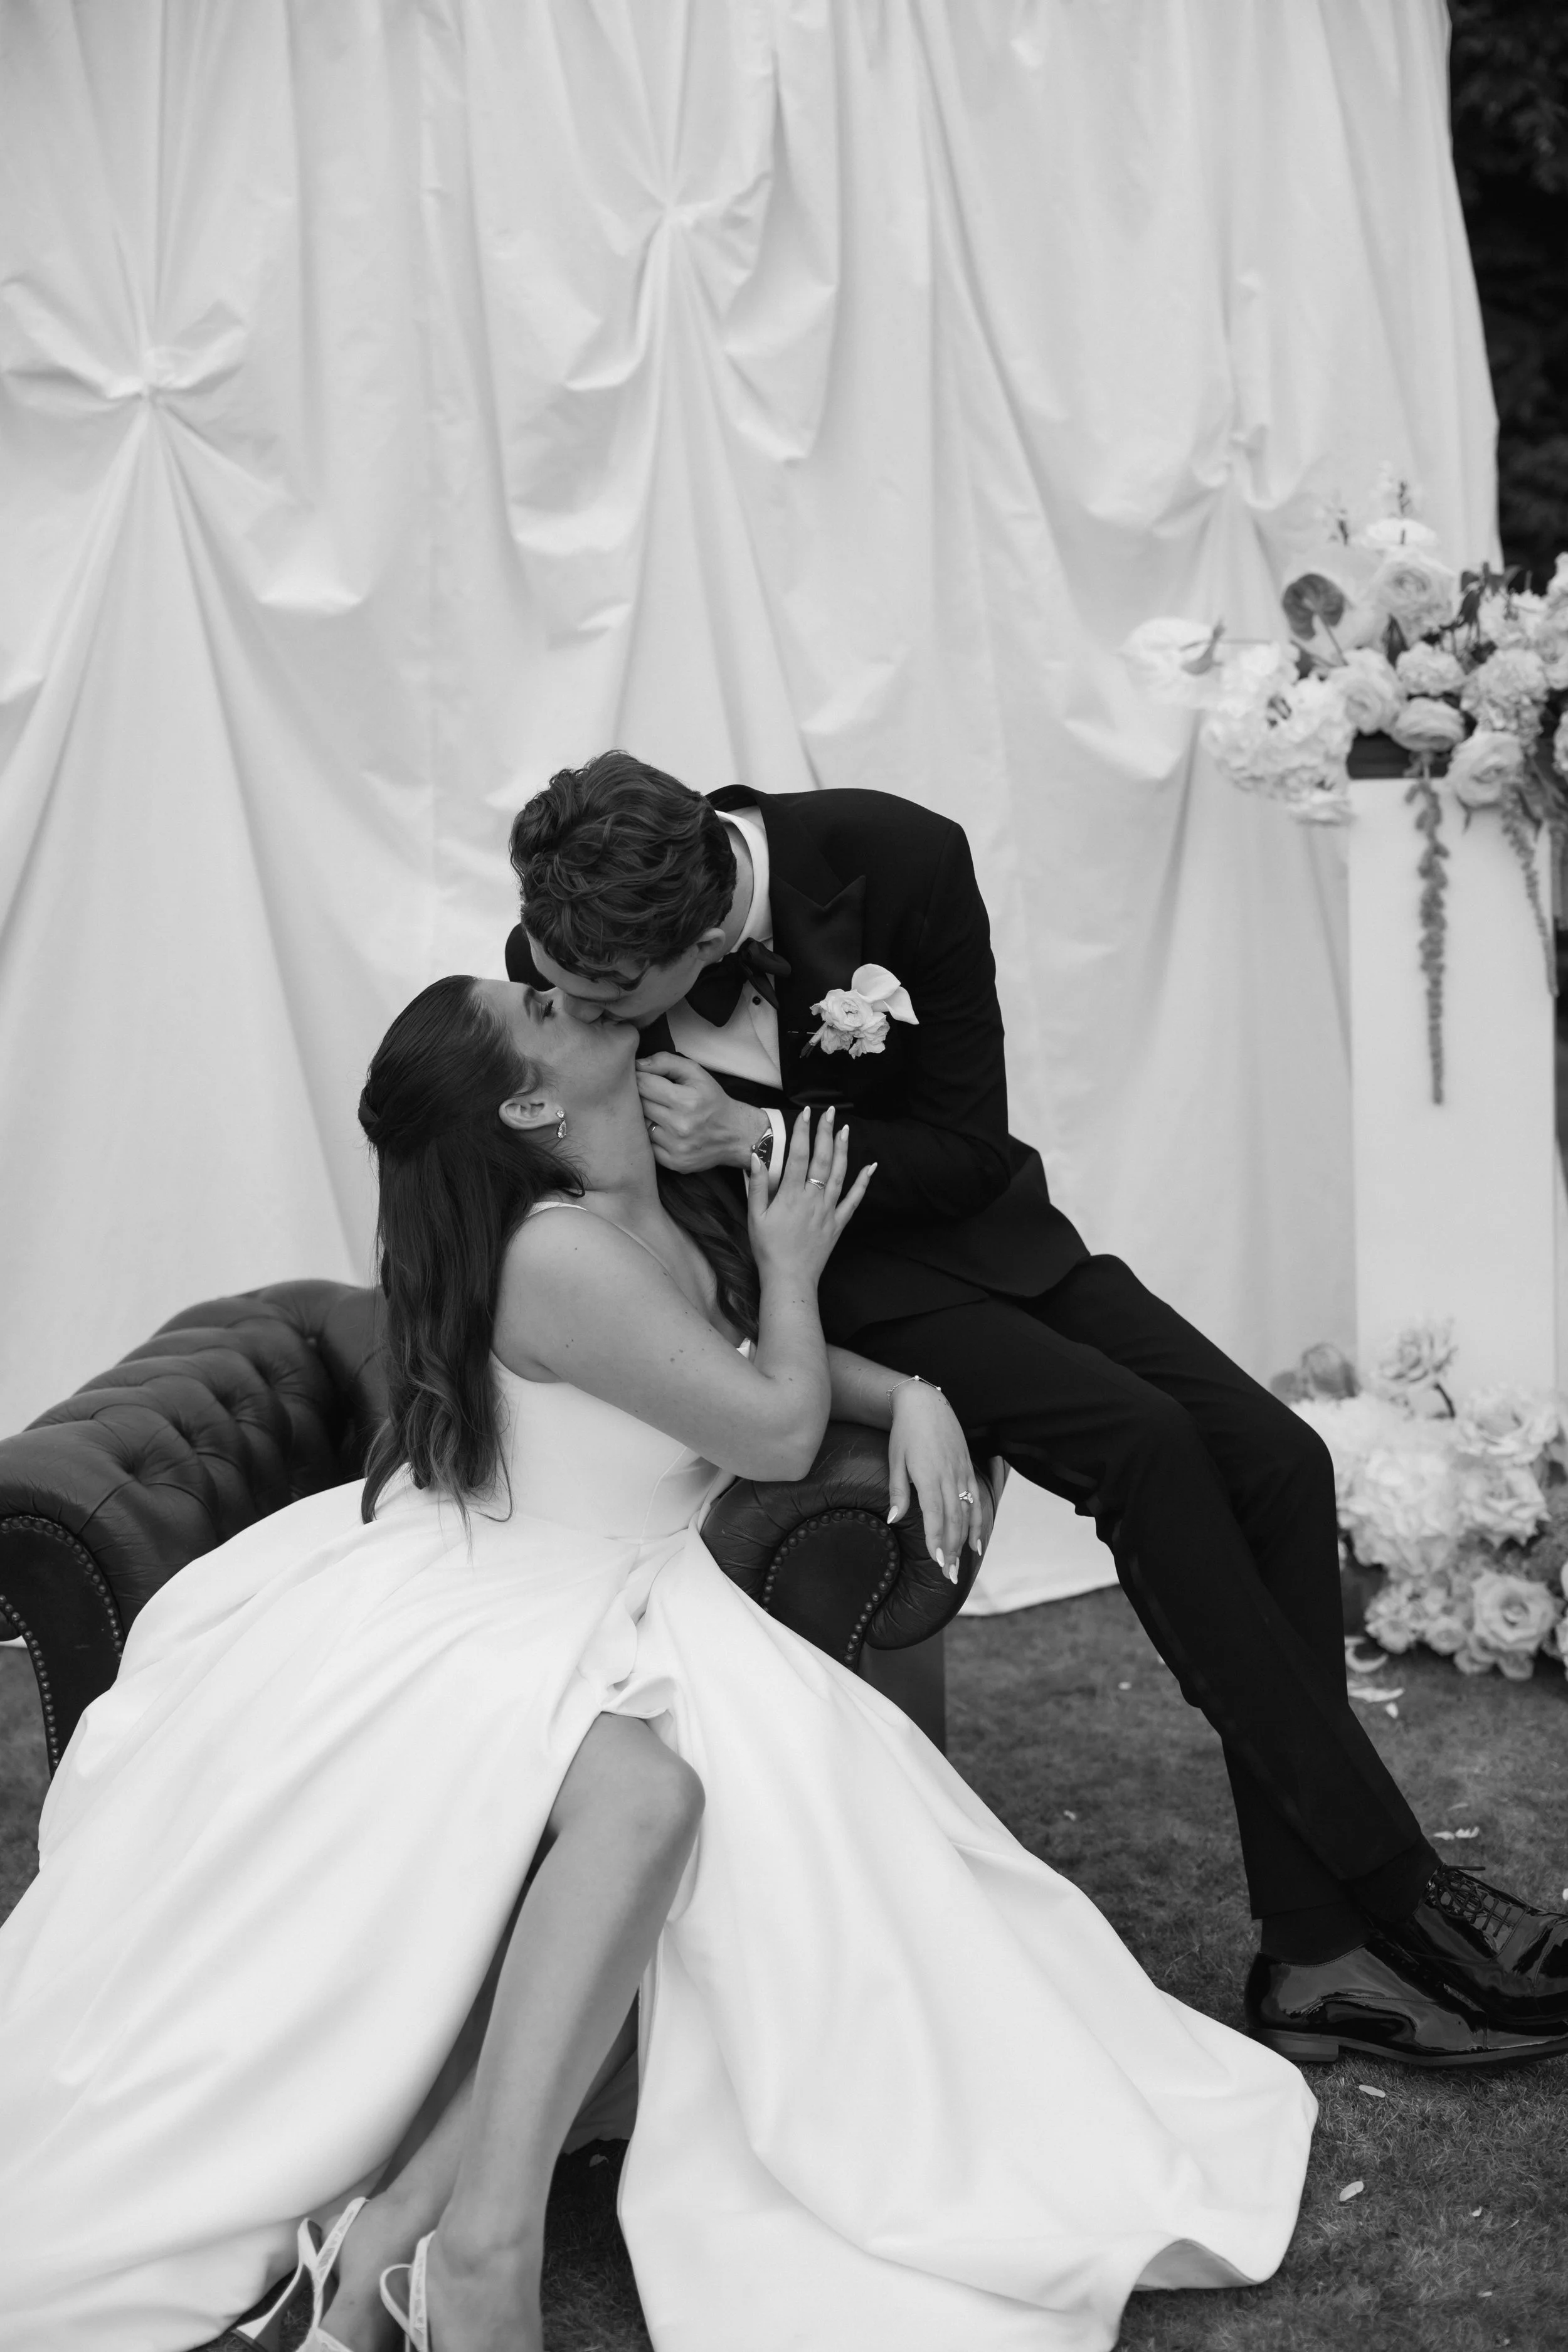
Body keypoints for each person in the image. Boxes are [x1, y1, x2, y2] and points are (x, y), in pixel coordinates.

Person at [0, 971, 1317, 2352]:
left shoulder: (638, 1194)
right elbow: (762, 1426)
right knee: (661, 1805)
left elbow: (731, 1360)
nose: (557, 990)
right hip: (500, 1598)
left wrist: (907, 1388)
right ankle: (468, 2253)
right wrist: (798, 1268)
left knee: (754, 1838)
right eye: (536, 1009)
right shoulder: (553, 1251)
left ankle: (399, 2240)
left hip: (622, 1586)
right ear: (528, 1099)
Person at [507, 750, 1568, 2071]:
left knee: (1280, 1459)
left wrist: (756, 1135)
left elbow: (965, 1144)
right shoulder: (579, 936)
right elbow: (624, 1206)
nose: (569, 1004)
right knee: (1147, 1449)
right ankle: (1398, 1891)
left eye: (607, 994)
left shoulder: (901, 856)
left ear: (701, 930)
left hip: (984, 1234)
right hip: (829, 1301)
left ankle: (1306, 1952)